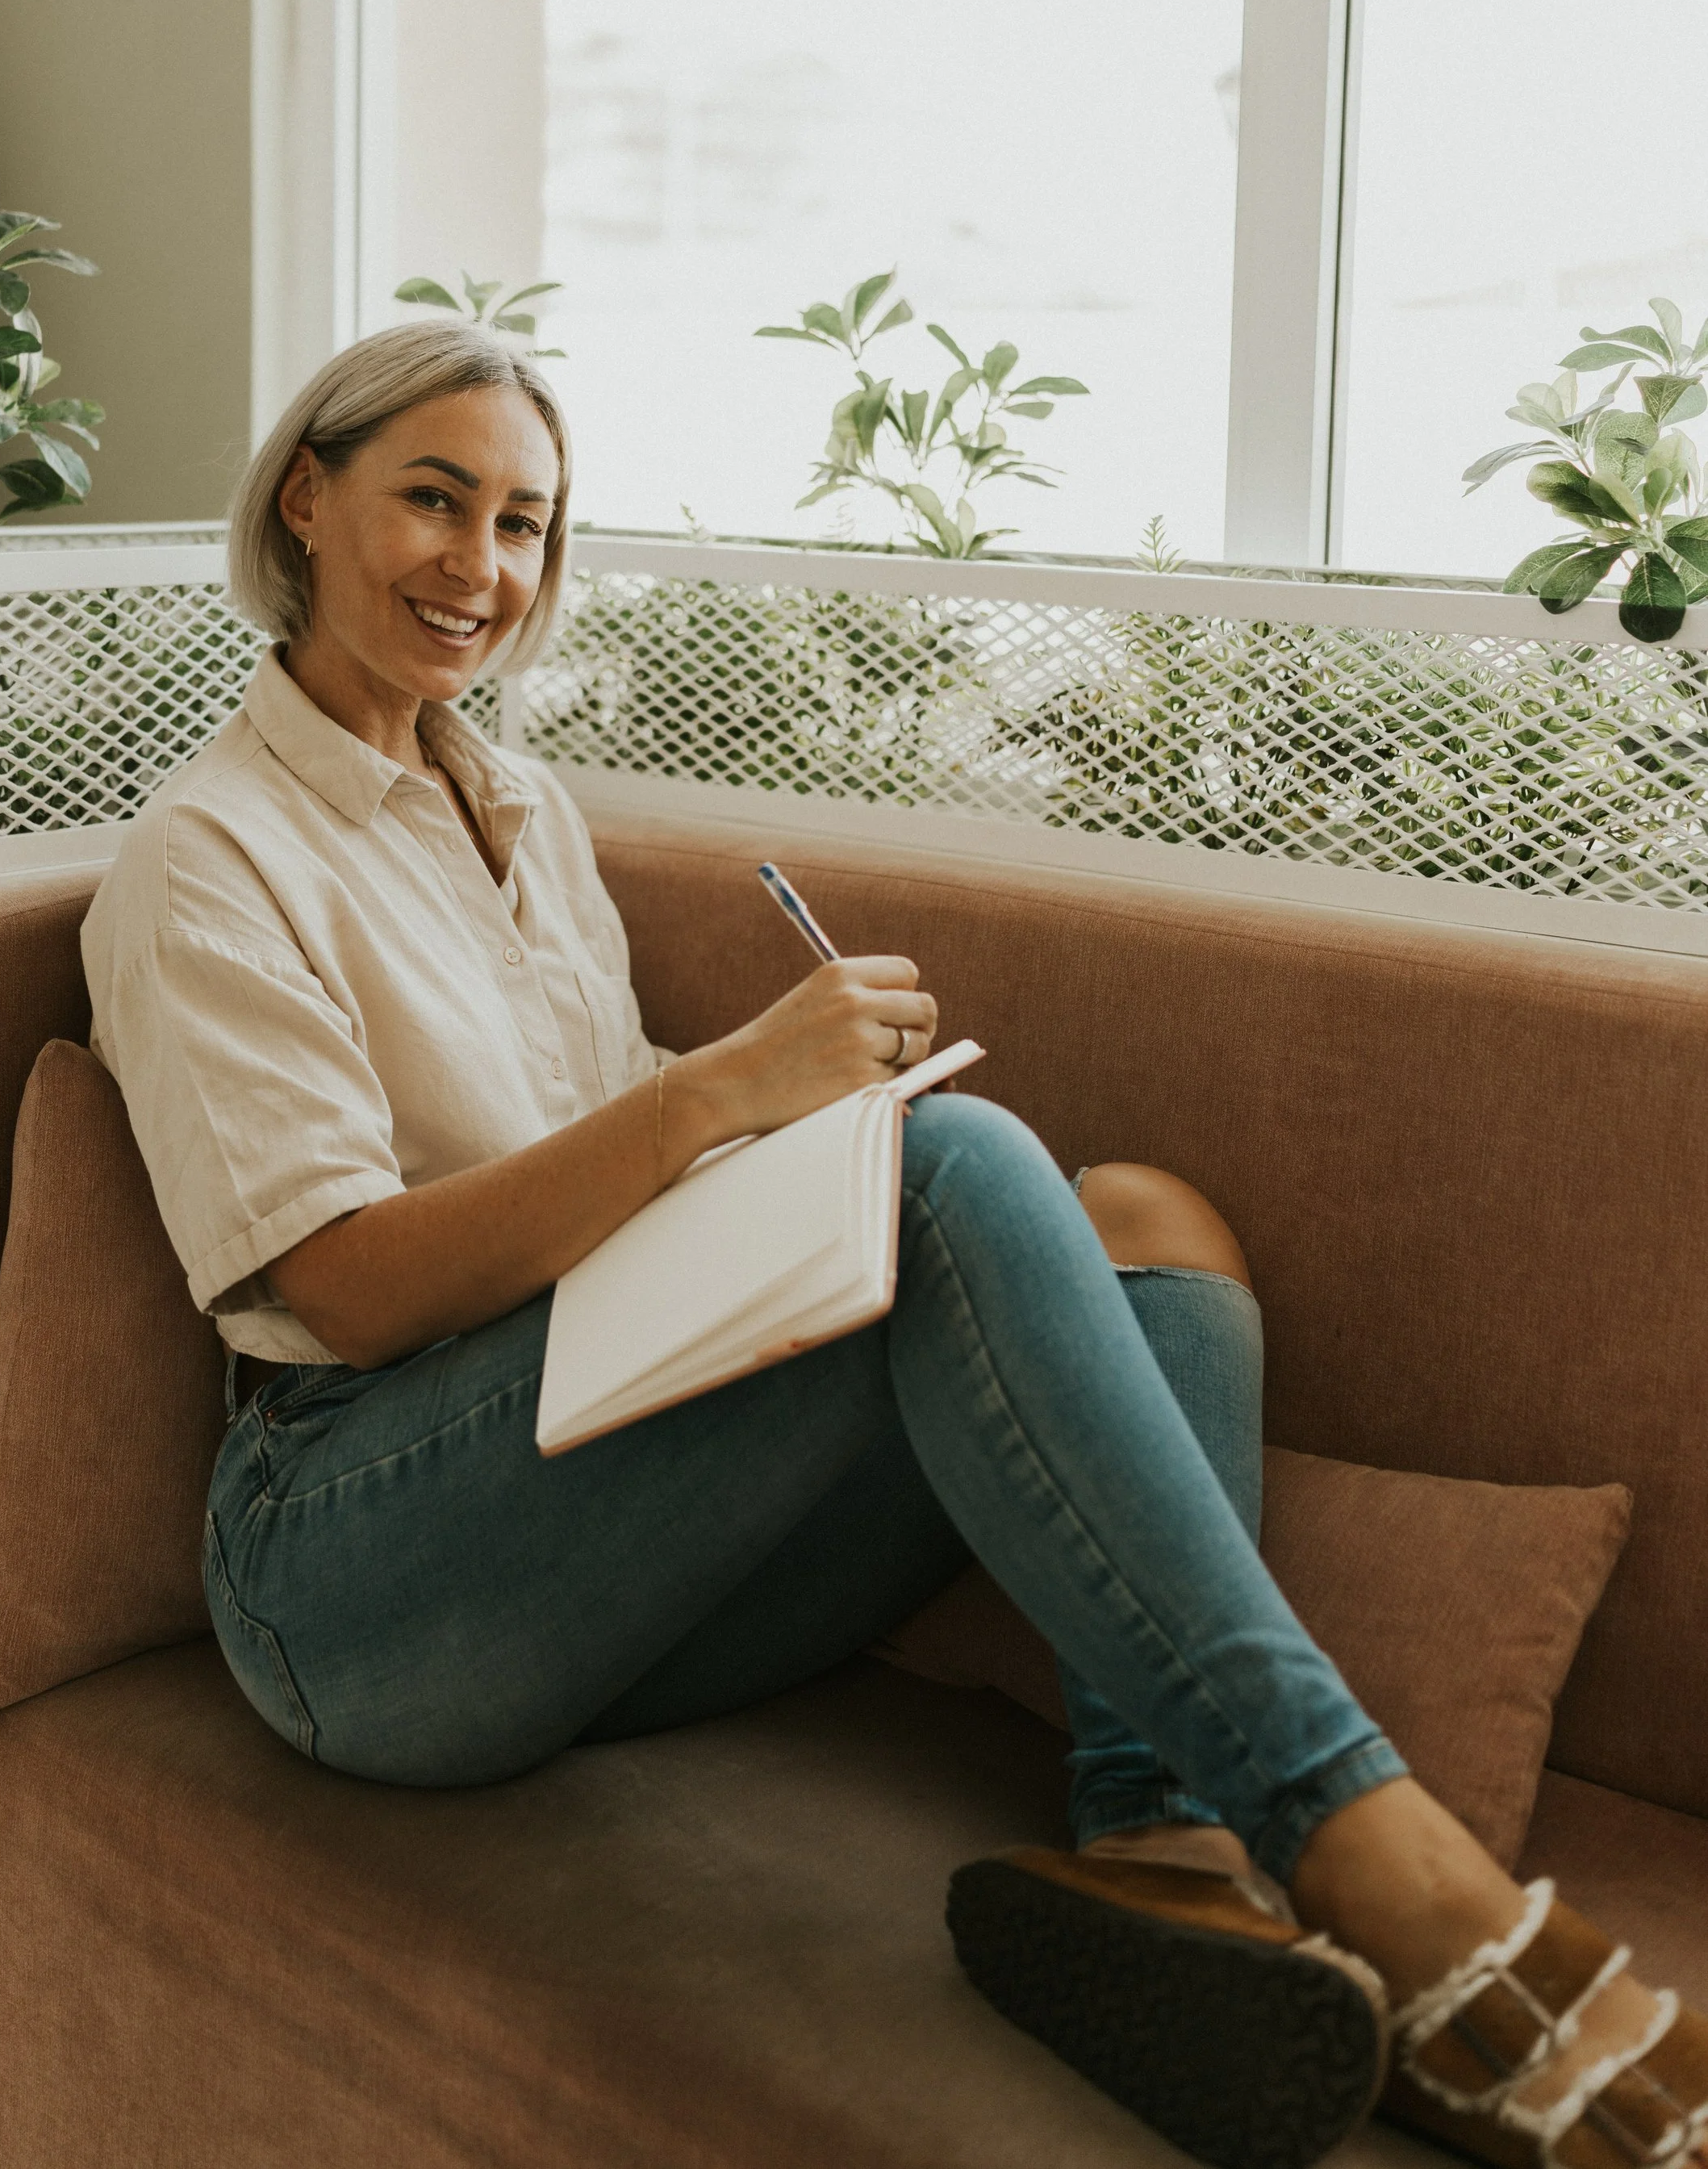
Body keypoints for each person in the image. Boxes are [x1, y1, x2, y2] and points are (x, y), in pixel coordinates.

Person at [83, 322, 1707, 2169]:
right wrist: (720, 1105)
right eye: (431, 503)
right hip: (355, 1580)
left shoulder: (519, 807)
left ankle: (1169, 1862)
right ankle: (1387, 1866)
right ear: (308, 497)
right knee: (954, 1169)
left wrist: (778, 1105)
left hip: (575, 1479)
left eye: (524, 523)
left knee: (1143, 1215)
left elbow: (582, 1122)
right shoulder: (205, 859)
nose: (482, 568)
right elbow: (346, 1282)